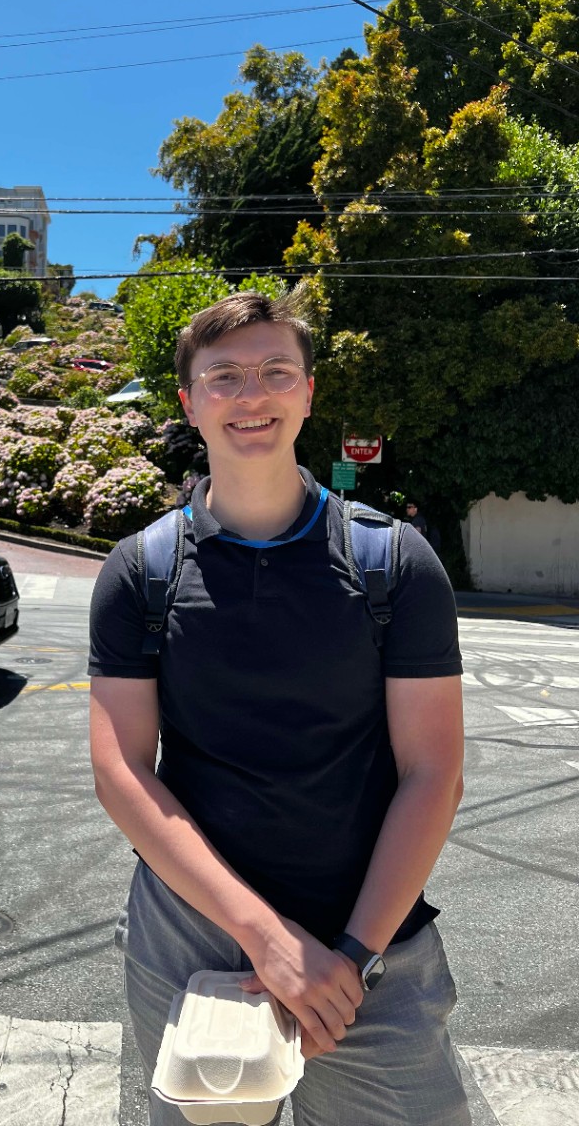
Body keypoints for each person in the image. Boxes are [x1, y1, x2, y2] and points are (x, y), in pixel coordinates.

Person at [88, 289, 468, 1126]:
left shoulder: (395, 565)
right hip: (190, 938)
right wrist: (266, 938)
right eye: (223, 376)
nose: (250, 395)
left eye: (274, 372)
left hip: (370, 941)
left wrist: (352, 956)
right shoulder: (140, 570)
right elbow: (121, 771)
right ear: (189, 403)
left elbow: (433, 772)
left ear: (308, 392)